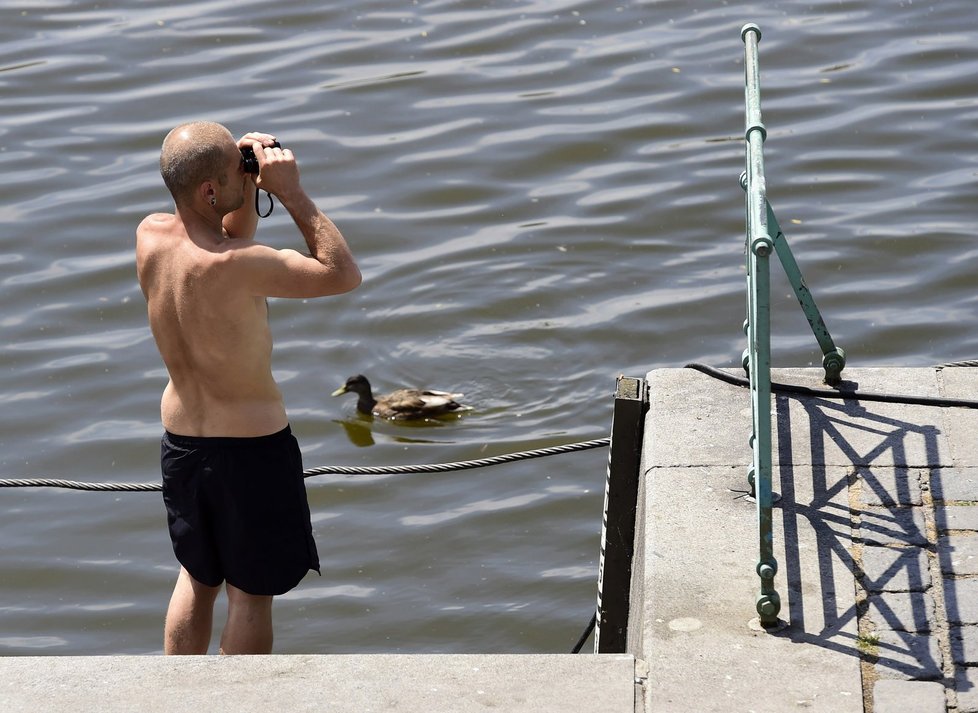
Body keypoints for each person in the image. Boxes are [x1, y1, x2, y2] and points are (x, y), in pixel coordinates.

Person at [135, 121, 361, 655]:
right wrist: (291, 192)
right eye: (238, 172)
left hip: (183, 444)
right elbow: (342, 272)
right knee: (251, 594)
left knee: (197, 577)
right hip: (251, 452)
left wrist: (243, 183)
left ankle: (177, 699)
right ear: (211, 191)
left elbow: (220, 235)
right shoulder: (243, 266)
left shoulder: (149, 237)